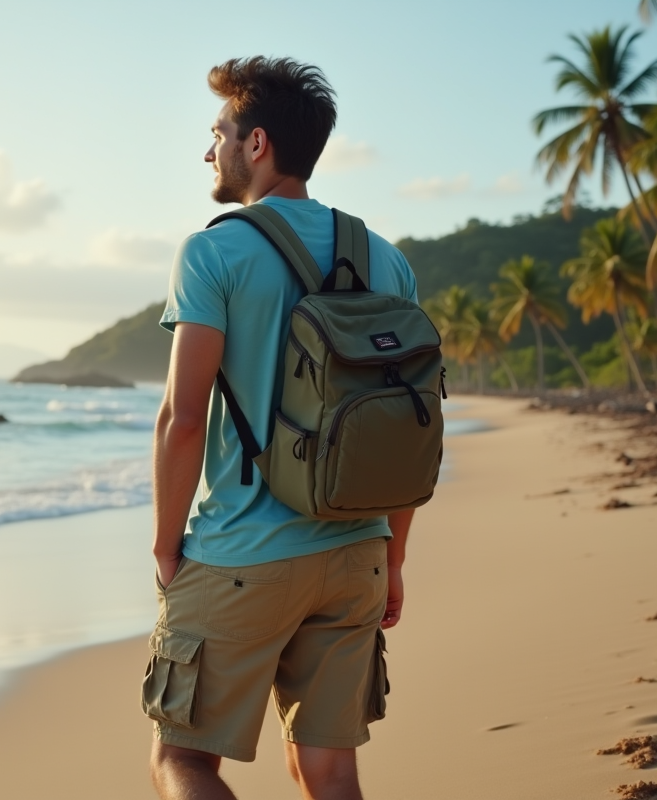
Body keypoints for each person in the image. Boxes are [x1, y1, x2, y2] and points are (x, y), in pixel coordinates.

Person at [142, 57, 419, 800]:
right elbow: (409, 427)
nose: (210, 152)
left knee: (183, 760)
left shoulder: (214, 251)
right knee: (327, 769)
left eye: (218, 133)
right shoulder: (388, 262)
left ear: (255, 142)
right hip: (357, 551)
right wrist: (391, 557)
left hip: (242, 552)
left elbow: (182, 414)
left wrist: (168, 546)